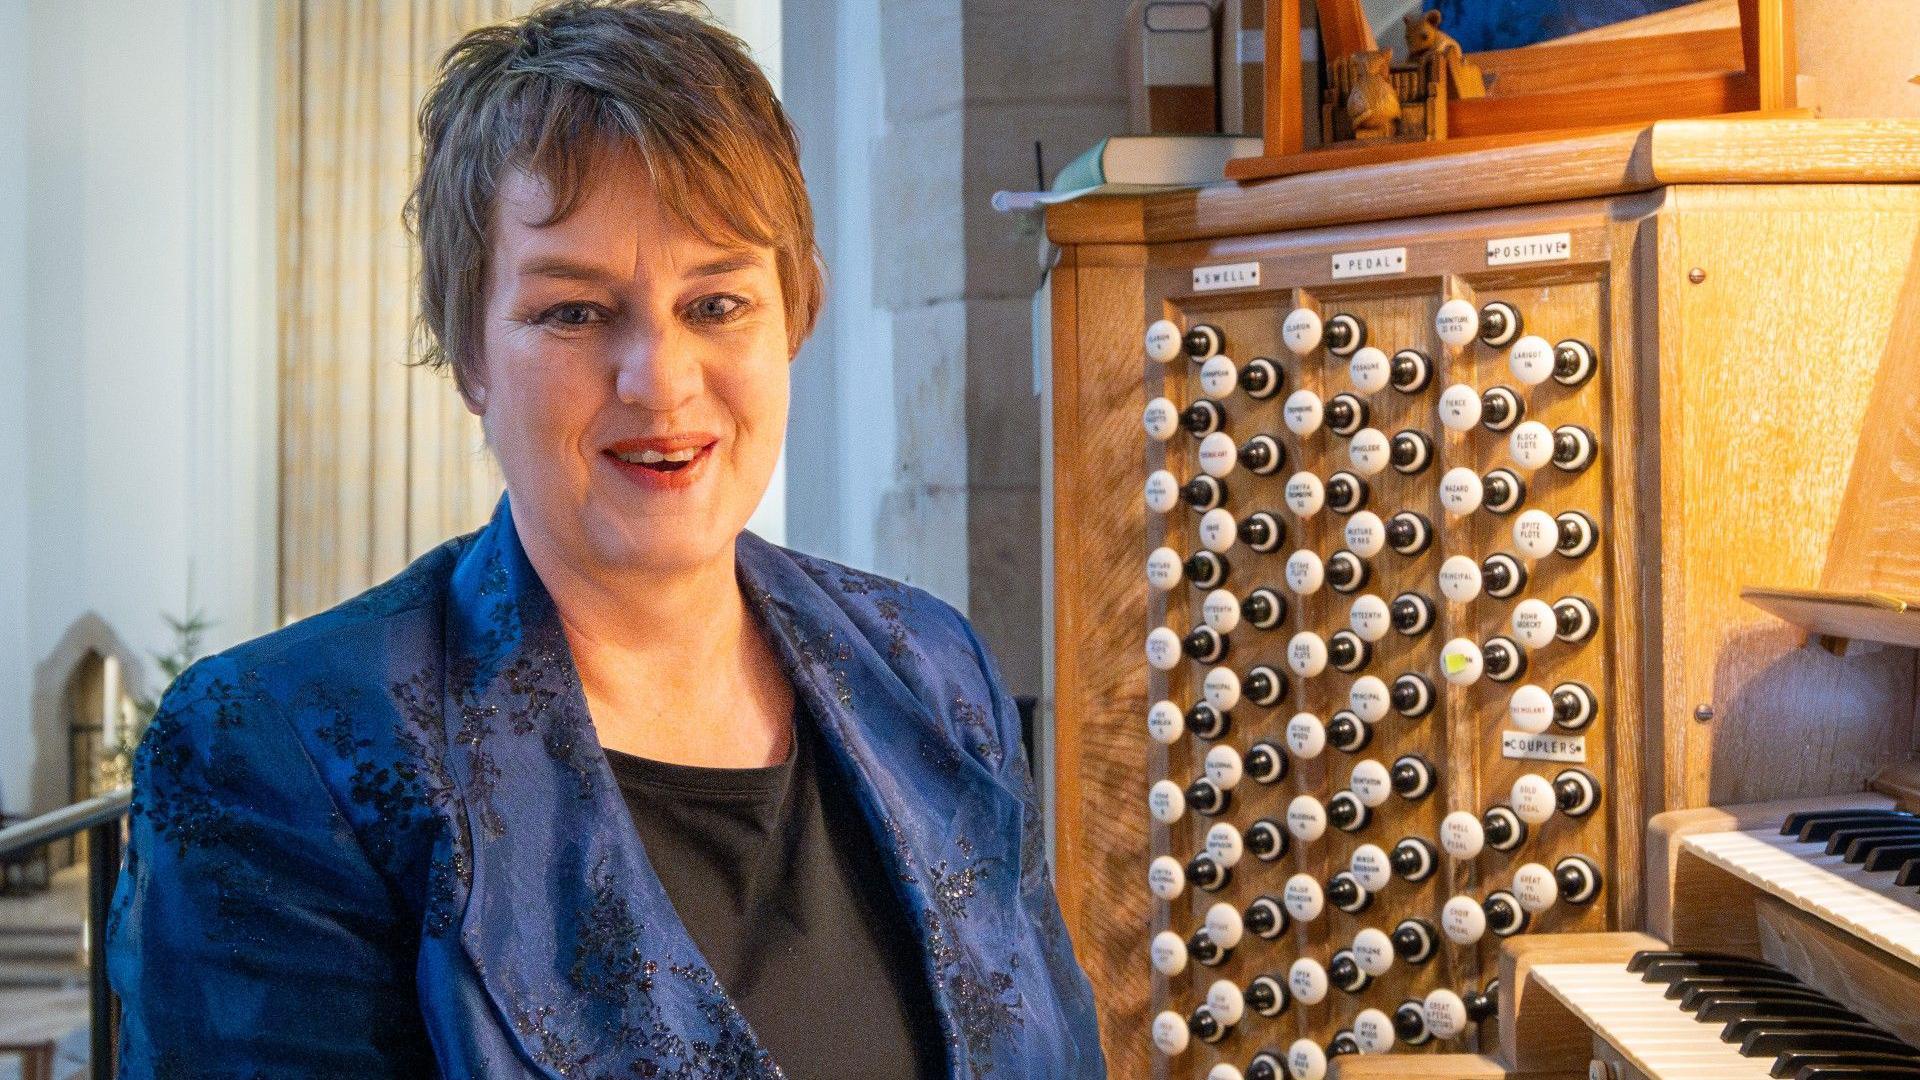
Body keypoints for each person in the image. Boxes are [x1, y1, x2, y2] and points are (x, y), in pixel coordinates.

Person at [104, 2, 1106, 1076]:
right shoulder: (273, 751)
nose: (661, 382)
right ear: (470, 355)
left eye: (717, 303)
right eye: (575, 313)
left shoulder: (928, 666)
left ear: (794, 315)